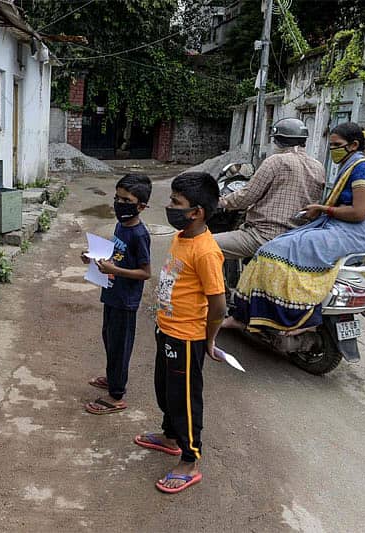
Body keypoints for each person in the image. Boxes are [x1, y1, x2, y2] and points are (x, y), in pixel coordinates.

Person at [224, 122, 365, 332]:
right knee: (280, 245)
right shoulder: (321, 165)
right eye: (331, 145)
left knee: (269, 252)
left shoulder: (362, 167)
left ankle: (267, 316)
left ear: (354, 144)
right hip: (336, 226)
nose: (332, 150)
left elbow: (359, 213)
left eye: (336, 145)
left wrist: (324, 209)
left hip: (349, 230)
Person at [134, 172, 226, 494]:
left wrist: (209, 338)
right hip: (167, 330)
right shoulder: (181, 236)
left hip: (188, 338)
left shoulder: (206, 251)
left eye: (176, 202)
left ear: (197, 211)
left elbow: (218, 305)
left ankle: (190, 459)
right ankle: (170, 437)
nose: (169, 207)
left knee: (185, 399)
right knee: (164, 388)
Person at [81, 174, 152, 415]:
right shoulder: (121, 225)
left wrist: (115, 270)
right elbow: (116, 254)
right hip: (111, 293)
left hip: (126, 301)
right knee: (109, 338)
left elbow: (145, 272)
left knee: (120, 345)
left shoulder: (140, 234)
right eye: (117, 198)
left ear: (141, 206)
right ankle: (113, 378)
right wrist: (93, 257)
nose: (119, 203)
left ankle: (116, 395)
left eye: (126, 200)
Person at [215, 118, 325, 259]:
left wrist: (222, 202)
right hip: (297, 238)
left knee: (203, 245)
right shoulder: (318, 166)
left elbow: (247, 196)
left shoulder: (276, 161)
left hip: (264, 236)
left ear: (278, 141)